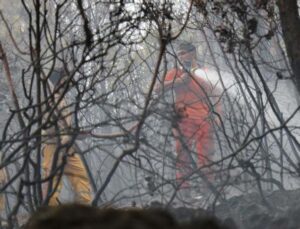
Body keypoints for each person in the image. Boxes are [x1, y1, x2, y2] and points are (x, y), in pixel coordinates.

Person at [157, 42, 222, 192]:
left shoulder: (204, 73)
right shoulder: (174, 73)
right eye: (178, 54)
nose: (180, 56)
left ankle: (208, 190)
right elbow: (157, 89)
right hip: (182, 119)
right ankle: (184, 191)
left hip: (204, 119)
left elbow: (217, 94)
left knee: (205, 155)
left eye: (183, 53)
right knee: (182, 155)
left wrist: (219, 115)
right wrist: (179, 81)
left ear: (193, 53)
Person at [41, 68, 92, 206]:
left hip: (67, 148)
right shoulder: (51, 99)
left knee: (81, 179)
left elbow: (65, 127)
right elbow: (50, 127)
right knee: (51, 185)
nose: (68, 84)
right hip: (53, 147)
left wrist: (76, 134)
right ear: (58, 81)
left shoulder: (62, 99)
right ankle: (50, 219)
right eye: (65, 81)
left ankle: (83, 213)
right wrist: (66, 135)